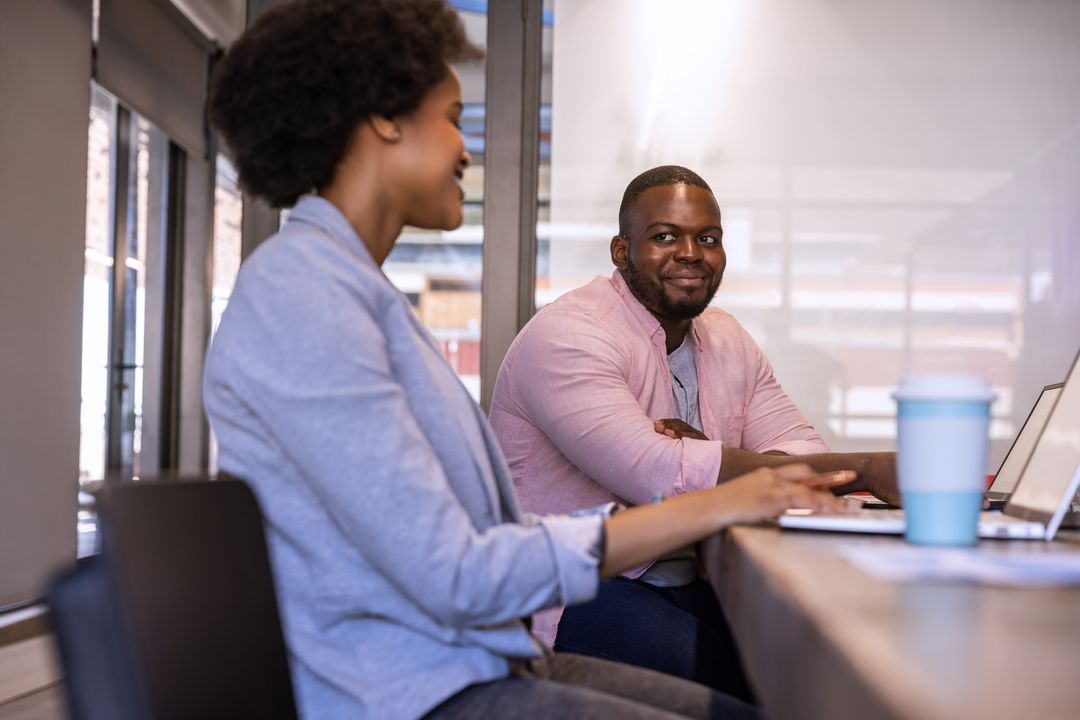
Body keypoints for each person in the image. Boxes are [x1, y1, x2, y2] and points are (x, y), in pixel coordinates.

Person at [204, 4, 855, 718]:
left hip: (470, 662)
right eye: (452, 116)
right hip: (407, 692)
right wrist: (725, 498)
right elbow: (457, 572)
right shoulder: (306, 297)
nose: (465, 149)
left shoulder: (354, 291)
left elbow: (482, 543)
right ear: (385, 118)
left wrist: (727, 492)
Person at [488, 165, 898, 695]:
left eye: (708, 238)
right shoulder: (570, 334)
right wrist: (862, 468)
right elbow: (658, 475)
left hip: (694, 577)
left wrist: (712, 454)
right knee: (746, 690)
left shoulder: (726, 337)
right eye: (664, 237)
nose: (690, 252)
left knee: (814, 661)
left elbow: (800, 448)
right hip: (577, 587)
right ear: (621, 251)